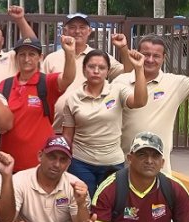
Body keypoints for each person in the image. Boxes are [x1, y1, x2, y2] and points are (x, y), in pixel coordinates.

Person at [117, 35, 189, 173]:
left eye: (156, 56)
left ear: (164, 58)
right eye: (146, 54)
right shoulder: (120, 82)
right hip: (122, 165)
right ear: (137, 53)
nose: (150, 60)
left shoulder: (175, 83)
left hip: (159, 169)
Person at [61, 47, 147, 198]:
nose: (96, 71)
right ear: (84, 69)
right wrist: (65, 162)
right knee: (84, 205)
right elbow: (67, 136)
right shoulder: (73, 98)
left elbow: (140, 101)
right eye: (91, 67)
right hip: (81, 163)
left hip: (112, 162)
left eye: (101, 68)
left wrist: (139, 69)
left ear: (108, 71)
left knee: (111, 207)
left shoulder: (118, 90)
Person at [5, 135, 102, 222]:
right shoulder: (19, 180)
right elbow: (7, 219)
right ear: (40, 156)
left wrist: (81, 204)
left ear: (68, 164)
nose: (57, 164)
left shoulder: (75, 184)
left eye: (63, 160)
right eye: (52, 157)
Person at [0, 36, 76, 173]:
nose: (26, 59)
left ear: (40, 57)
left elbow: (67, 78)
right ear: (16, 58)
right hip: (8, 163)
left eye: (31, 54)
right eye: (22, 54)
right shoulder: (5, 85)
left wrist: (69, 53)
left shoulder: (46, 82)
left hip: (39, 165)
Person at [41, 12, 131, 132]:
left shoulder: (100, 57)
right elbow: (41, 90)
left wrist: (123, 48)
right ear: (65, 31)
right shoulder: (51, 59)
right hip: (56, 130)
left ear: (89, 31)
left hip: (90, 132)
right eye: (72, 27)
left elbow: (127, 73)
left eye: (82, 27)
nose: (77, 31)